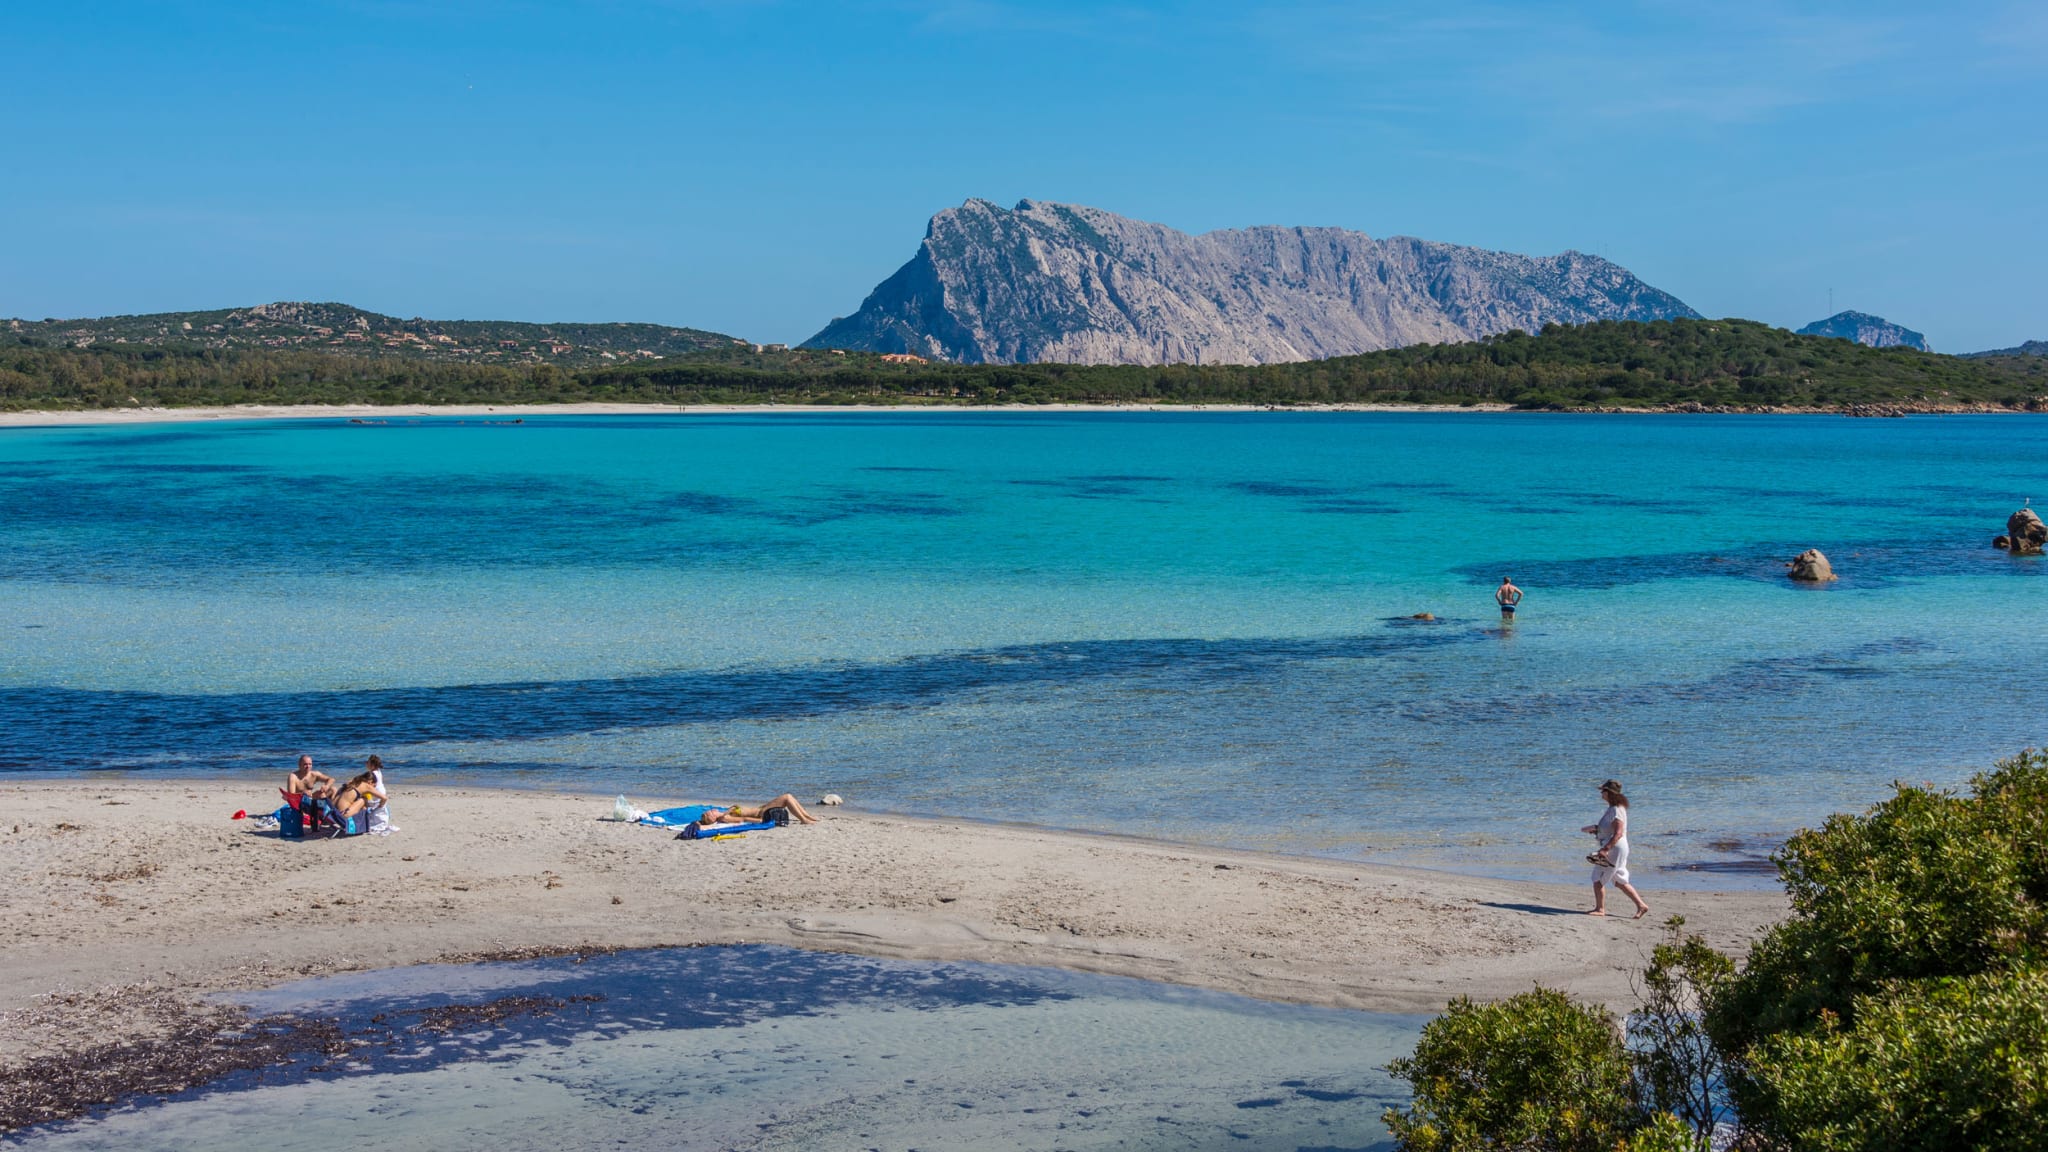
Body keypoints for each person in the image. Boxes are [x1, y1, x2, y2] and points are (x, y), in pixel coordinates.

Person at [1582, 779, 1650, 918]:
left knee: (1598, 878)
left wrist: (1605, 849)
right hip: (1618, 847)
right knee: (1619, 880)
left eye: (1603, 791)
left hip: (1615, 847)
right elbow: (1610, 829)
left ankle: (1600, 909)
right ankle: (1641, 905)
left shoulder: (1617, 809)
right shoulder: (1615, 808)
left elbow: (1618, 832)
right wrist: (1596, 830)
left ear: (1609, 793)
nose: (1601, 793)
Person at [701, 793, 821, 825]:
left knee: (789, 797)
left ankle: (807, 816)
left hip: (761, 809)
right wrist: (760, 821)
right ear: (713, 817)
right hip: (762, 814)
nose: (710, 811)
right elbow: (743, 819)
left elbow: (736, 809)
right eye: (709, 813)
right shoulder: (726, 817)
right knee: (787, 797)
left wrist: (729, 809)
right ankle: (803, 819)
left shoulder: (725, 812)